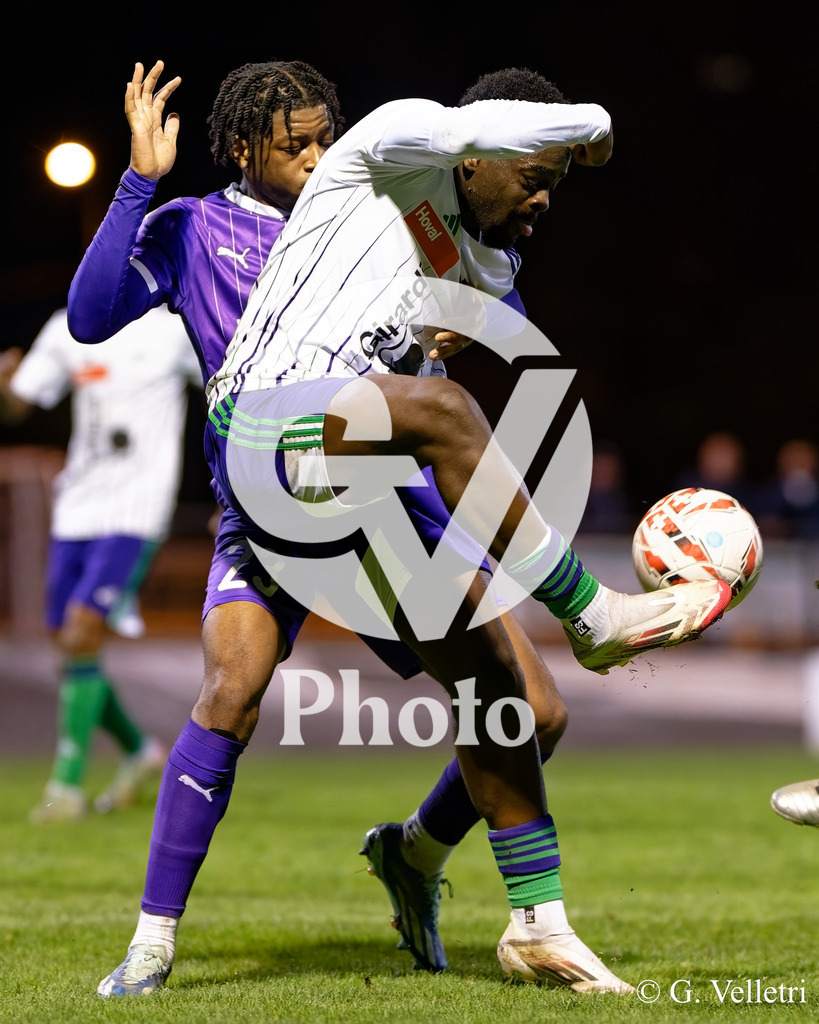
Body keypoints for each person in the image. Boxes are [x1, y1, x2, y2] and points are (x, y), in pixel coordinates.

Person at [69, 62, 729, 998]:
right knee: (233, 685)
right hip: (269, 479)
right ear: (243, 148)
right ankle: (149, 942)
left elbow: (497, 295)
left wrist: (475, 314)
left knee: (525, 710)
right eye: (291, 143)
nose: (312, 157)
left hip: (379, 487)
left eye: (318, 139)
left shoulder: (393, 209)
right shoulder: (202, 225)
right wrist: (140, 183)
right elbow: (93, 317)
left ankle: (439, 870)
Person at [0, 304, 199, 821]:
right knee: (68, 645)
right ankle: (140, 751)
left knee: (82, 632)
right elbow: (18, 405)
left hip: (137, 510)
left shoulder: (173, 331)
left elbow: (228, 387)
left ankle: (65, 787)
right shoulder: (69, 327)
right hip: (75, 508)